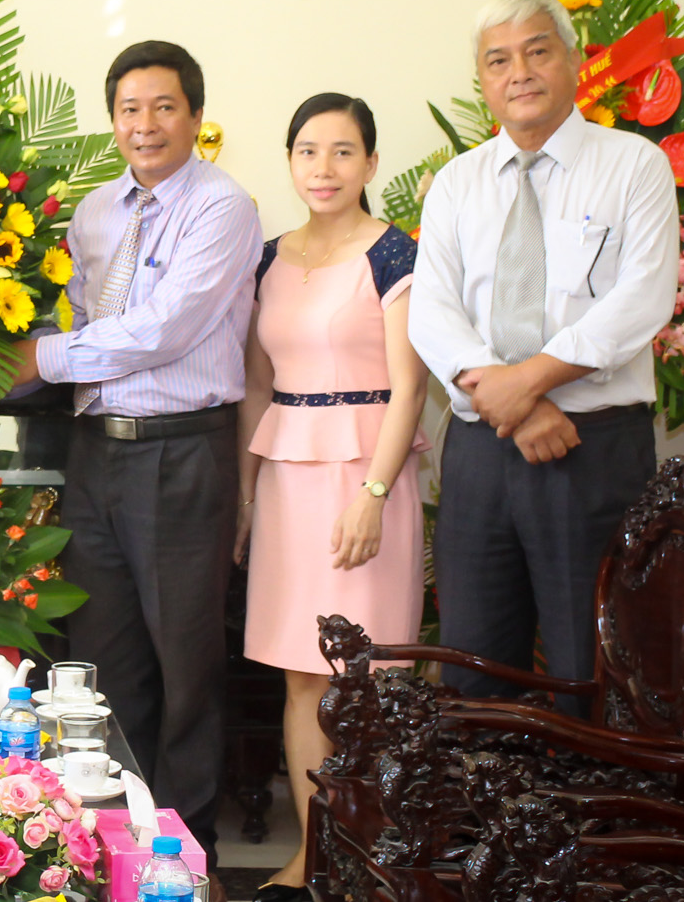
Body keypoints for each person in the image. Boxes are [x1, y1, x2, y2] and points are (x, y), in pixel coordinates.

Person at [12, 40, 264, 867]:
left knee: (185, 664)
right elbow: (85, 322)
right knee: (104, 659)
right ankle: (109, 840)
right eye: (129, 109)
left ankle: (183, 853)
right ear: (113, 119)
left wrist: (39, 357)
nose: (145, 124)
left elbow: (165, 329)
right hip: (96, 453)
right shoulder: (93, 212)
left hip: (181, 452)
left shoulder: (223, 206)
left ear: (195, 115)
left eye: (163, 107)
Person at [409, 0, 679, 712]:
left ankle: (592, 794)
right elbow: (432, 310)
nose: (519, 72)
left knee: (591, 665)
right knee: (472, 666)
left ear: (574, 59)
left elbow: (642, 297)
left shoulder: (634, 166)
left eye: (537, 51)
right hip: (482, 453)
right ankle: (485, 794)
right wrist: (517, 403)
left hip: (592, 449)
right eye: (498, 60)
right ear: (482, 80)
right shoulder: (458, 184)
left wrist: (526, 380)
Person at [234, 94, 428, 899]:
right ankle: (313, 852)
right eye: (308, 150)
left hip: (366, 477)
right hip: (287, 482)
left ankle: (368, 855)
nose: (324, 167)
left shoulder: (395, 253)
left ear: (371, 163)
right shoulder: (267, 257)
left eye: (343, 151)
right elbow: (256, 384)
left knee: (367, 682)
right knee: (300, 679)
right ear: (290, 161)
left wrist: (374, 493)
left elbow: (411, 386)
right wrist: (245, 497)